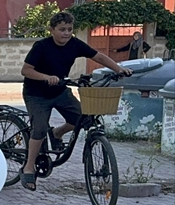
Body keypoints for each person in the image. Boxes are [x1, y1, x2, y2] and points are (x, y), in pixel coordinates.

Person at [20, 11, 130, 190]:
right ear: (52, 30)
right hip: (36, 94)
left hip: (60, 91)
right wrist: (46, 77)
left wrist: (119, 69)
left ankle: (56, 133)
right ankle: (29, 167)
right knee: (39, 129)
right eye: (62, 29)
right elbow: (26, 70)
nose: (66, 33)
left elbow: (98, 56)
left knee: (83, 118)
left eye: (69, 29)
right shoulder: (41, 46)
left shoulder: (74, 44)